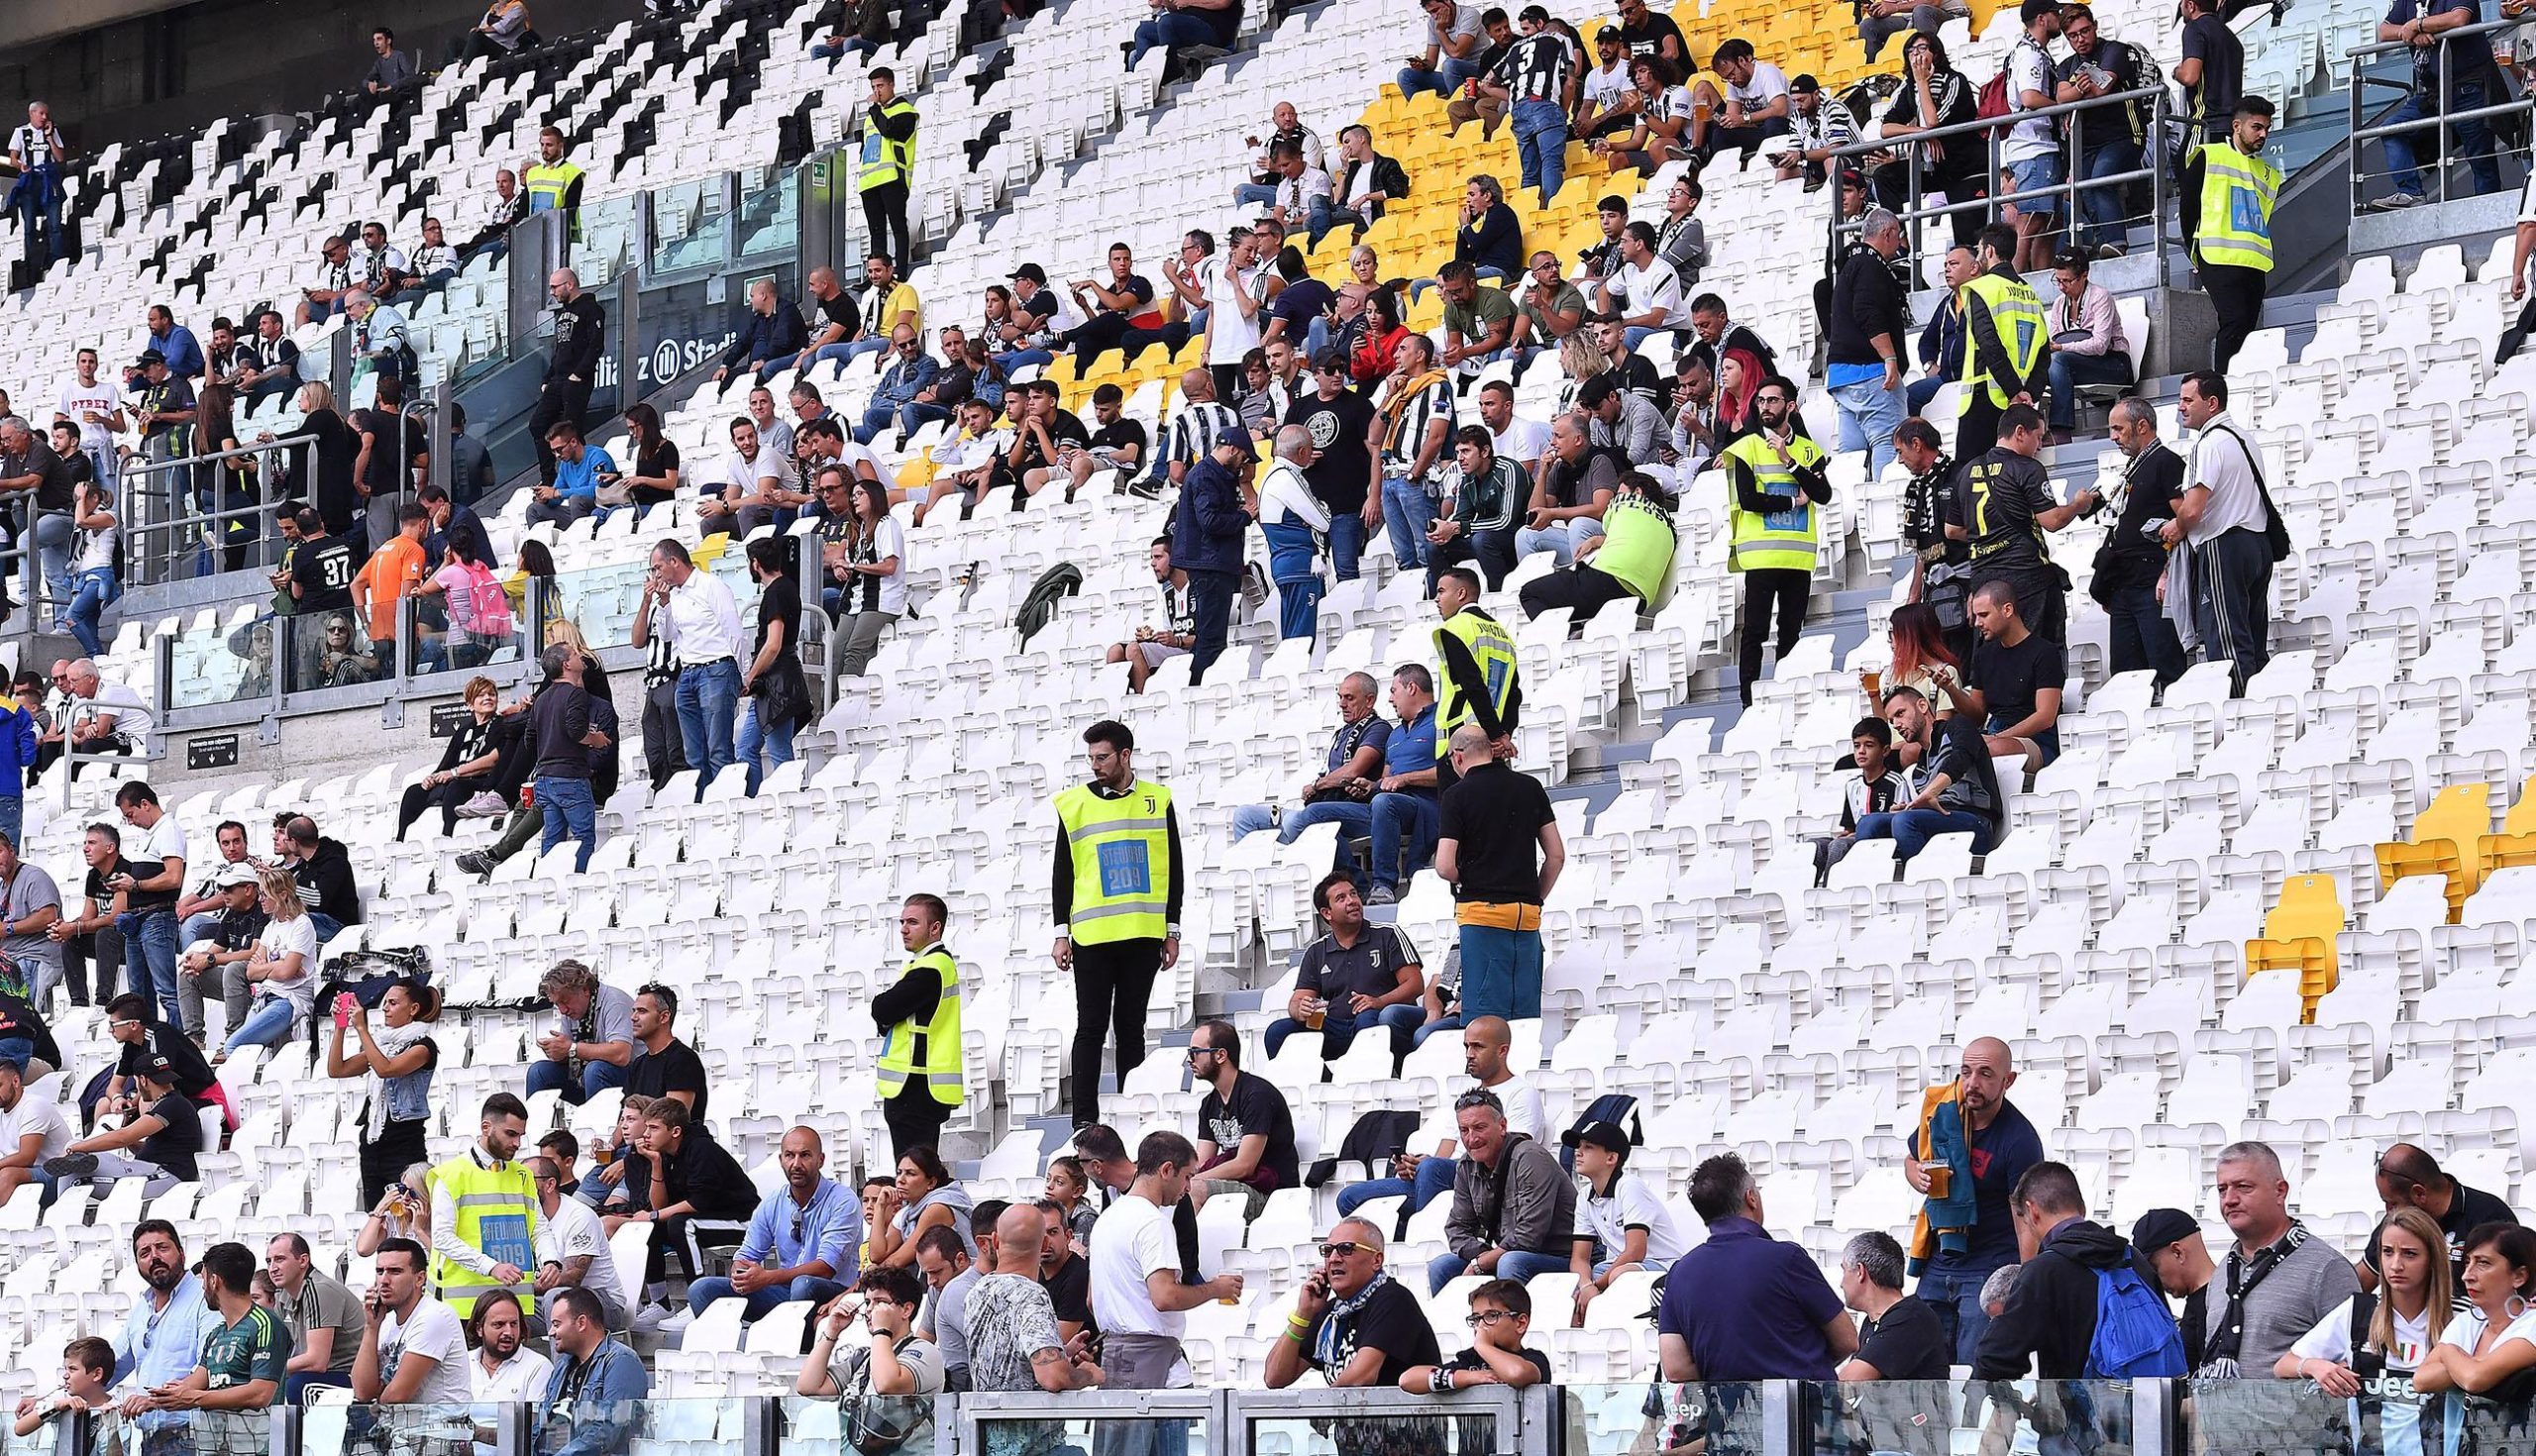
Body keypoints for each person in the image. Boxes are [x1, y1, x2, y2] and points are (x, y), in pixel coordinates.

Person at [1051, 720, 1184, 1126]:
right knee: (1090, 1027)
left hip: (1143, 933)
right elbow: (1062, 873)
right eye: (1091, 757)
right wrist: (1061, 934)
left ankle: (1132, 1108)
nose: (1095, 765)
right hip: (1093, 936)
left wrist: (1172, 929)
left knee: (1132, 1026)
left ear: (1125, 755)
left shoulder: (1157, 800)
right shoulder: (1073, 805)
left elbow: (1173, 866)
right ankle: (1084, 1119)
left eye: (1102, 757)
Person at [1972, 1161, 2184, 1379]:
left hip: (2087, 1410)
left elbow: (1994, 1359)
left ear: (2032, 1211)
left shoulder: (2044, 1272)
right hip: (2151, 1408)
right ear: (2082, 1207)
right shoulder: (2133, 1257)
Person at [1657, 1152, 1857, 1379]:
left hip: (1729, 1410)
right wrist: (1802, 1368)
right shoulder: (1786, 1258)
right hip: (1803, 1410)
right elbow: (1847, 1339)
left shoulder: (1680, 1272)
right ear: (1751, 1198)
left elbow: (1675, 1367)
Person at [1337, 1015, 1545, 1218]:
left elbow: (1513, 1157)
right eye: (1466, 1047)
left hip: (1486, 1182)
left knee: (1431, 1167)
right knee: (1349, 1197)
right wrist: (1415, 1167)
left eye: (1478, 1047)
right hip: (1450, 1177)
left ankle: (1425, 1237)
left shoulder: (1523, 1093)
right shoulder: (1468, 1093)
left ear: (1502, 1051)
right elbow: (1442, 1156)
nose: (1469, 1054)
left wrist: (1431, 1166)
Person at [2277, 1201, 2461, 1428]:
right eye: (2387, 1252)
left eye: (2410, 1254)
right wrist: (2315, 1366)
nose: (2396, 1265)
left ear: (2433, 1260)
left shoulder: (2461, 1317)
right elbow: (2283, 1365)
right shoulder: (2358, 1311)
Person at [2195, 1140, 2364, 1376]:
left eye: (2243, 1187)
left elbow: (2354, 1364)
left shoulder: (2327, 1268)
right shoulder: (2224, 1271)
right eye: (2222, 1189)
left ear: (2280, 1191)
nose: (2229, 1199)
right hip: (2219, 1412)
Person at [1433, 720, 1558, 1021]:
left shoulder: (1457, 795)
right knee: (1525, 1021)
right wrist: (1534, 897)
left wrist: (1474, 877)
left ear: (1458, 756)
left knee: (1484, 1023)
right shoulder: (1530, 787)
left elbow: (1444, 865)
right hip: (1525, 917)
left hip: (1482, 916)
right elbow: (1556, 856)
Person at [1721, 375, 1831, 706]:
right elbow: (1749, 499)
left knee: (1791, 632)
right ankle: (1748, 701)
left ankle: (1786, 693)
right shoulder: (1745, 447)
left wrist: (1789, 461)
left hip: (1797, 558)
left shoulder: (1809, 450)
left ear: (1790, 406)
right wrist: (1791, 502)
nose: (1765, 407)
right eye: (1761, 401)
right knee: (1754, 631)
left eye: (1772, 401)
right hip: (1762, 556)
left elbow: (1822, 494)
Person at [2166, 369, 2277, 694]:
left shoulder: (2208, 443)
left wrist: (2175, 526)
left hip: (2223, 545)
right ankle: (2263, 703)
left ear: (2211, 403)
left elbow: (2193, 508)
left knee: (2227, 643)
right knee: (2254, 640)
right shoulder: (2245, 439)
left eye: (2188, 400)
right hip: (2257, 542)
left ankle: (2241, 715)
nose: (2180, 407)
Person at [685, 1125, 854, 1323]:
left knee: (803, 1285)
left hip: (832, 1293)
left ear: (821, 1160)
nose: (796, 1164)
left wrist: (768, 1277)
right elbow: (747, 1255)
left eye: (805, 1155)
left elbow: (826, 1268)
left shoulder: (843, 1200)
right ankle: (733, 1349)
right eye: (790, 1155)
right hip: (783, 1291)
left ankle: (799, 1350)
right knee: (702, 1289)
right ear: (781, 1160)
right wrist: (741, 1274)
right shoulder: (773, 1202)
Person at [1955, 404, 2092, 645]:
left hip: (1983, 582)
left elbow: (1952, 529)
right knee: (2039, 655)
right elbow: (2052, 521)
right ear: (2020, 432)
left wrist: (1993, 537)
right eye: (2038, 437)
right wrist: (2078, 505)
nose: (2040, 445)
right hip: (2027, 578)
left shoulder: (1966, 471)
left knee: (1995, 662)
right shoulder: (2027, 468)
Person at [1262, 873, 1424, 1062]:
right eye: (1341, 898)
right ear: (1327, 913)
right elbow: (1297, 1002)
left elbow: (1415, 985)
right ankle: (1323, 1083)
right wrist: (1300, 1010)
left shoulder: (1388, 934)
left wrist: (1378, 1001)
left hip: (1379, 1020)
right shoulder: (1316, 951)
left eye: (1354, 894)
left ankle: (1371, 1080)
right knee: (1278, 1031)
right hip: (1334, 1027)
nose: (1352, 901)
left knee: (1367, 1017)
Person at [1427, 1086, 1572, 1292]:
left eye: (1479, 1128)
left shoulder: (1530, 1157)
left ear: (1502, 1126)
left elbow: (1529, 1236)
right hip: (1507, 1253)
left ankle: (1510, 1323)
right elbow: (1456, 1228)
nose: (1471, 1138)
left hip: (1562, 1257)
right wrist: (1485, 1254)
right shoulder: (1466, 1166)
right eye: (1464, 1130)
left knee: (1511, 1262)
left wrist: (1484, 1261)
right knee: (1442, 1266)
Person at [1266, 1219, 1441, 1388]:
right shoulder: (1332, 1312)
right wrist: (1303, 1314)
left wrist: (1322, 1412)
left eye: (1346, 1249)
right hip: (1355, 1416)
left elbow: (1360, 1378)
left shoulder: (1393, 1299)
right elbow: (1274, 1378)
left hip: (1403, 1417)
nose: (1333, 1258)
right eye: (1328, 1250)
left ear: (1376, 1260)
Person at [796, 1264, 943, 1450]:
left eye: (880, 1302)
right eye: (867, 1302)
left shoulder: (925, 1352)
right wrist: (831, 1332)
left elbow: (887, 1385)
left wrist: (881, 1330)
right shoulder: (862, 1358)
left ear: (906, 1310)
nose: (869, 1310)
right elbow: (808, 1386)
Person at [2371, 0, 2501, 208]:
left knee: (2480, 158)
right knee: (2391, 129)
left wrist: (2418, 25)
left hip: (2469, 86)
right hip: (2434, 93)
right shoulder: (2407, 2)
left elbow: (2459, 18)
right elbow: (2384, 30)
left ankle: (2489, 209)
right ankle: (2410, 194)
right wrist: (2415, 31)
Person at [641, 539, 747, 792]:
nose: (655, 574)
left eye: (657, 567)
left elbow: (734, 630)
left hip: (717, 668)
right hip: (687, 674)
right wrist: (663, 603)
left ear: (674, 561)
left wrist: (741, 672)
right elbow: (667, 635)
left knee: (718, 748)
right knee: (693, 754)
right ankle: (702, 807)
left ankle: (725, 803)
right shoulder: (672, 596)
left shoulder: (711, 585)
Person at [2183, 97, 2278, 374]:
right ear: (2237, 126)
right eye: (2256, 127)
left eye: (2266, 129)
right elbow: (2188, 207)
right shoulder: (2209, 155)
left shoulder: (2267, 173)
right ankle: (2224, 385)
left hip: (2254, 262)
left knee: (2246, 329)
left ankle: (2240, 381)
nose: (2263, 134)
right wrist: (2195, 252)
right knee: (2234, 321)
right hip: (2217, 254)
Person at [2098, 398, 2188, 685]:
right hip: (2123, 583)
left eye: (2118, 429)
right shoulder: (2135, 466)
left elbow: (2184, 520)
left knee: (2166, 665)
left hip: (2152, 580)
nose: (2113, 436)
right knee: (2125, 676)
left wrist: (2168, 572)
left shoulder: (2166, 461)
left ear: (2142, 426)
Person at [427, 1092, 540, 1321]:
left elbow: (539, 1227)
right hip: (462, 1309)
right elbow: (442, 1238)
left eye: (520, 1135)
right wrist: (491, 1267)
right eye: (511, 1134)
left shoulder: (523, 1175)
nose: (517, 1143)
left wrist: (551, 1260)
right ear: (486, 1127)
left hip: (513, 1306)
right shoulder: (451, 1175)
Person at [1859, 684, 2005, 859]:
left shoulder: (1957, 726)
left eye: (1900, 714)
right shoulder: (1919, 769)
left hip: (1976, 821)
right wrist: (1910, 807)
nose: (1896, 725)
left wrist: (1931, 792)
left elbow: (1962, 757)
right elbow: (1931, 806)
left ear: (1922, 706)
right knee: (1868, 823)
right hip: (1939, 820)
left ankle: (1919, 881)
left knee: (1904, 821)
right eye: (1892, 721)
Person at [1564, 1119, 1686, 1324]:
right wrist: (1586, 1286)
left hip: (1665, 1265)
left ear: (1611, 1157)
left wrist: (1596, 1286)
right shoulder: (1584, 1195)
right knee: (1575, 1286)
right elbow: (1579, 1258)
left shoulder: (1630, 1186)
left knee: (1618, 1274)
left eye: (1588, 1147)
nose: (1578, 1152)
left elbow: (1636, 1251)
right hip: (1617, 1267)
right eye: (1578, 1146)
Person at [874, 893, 965, 1158]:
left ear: (935, 928)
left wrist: (884, 1012)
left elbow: (883, 1008)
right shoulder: (925, 964)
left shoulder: (931, 967)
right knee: (914, 1174)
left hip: (915, 1086)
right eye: (902, 922)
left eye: (912, 922)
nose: (903, 929)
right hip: (916, 1087)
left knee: (914, 1175)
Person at [46, 1048, 199, 1195]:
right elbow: (160, 1148)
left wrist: (77, 1147)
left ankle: (59, 1215)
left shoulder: (171, 1104)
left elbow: (123, 1137)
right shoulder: (173, 1103)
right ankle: (76, 1159)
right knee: (75, 1157)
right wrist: (131, 1144)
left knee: (74, 1175)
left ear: (143, 1080)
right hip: (151, 1169)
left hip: (167, 1176)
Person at [2367, 1143, 2519, 1289]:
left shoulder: (2490, 1216)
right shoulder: (2397, 1221)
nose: (2388, 1211)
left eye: (2392, 1203)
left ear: (2419, 1194)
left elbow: (2508, 1288)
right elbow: (2361, 1281)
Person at [1187, 1018, 1298, 1217]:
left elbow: (1244, 1166)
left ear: (1221, 1055)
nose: (1189, 1060)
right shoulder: (1208, 1104)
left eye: (1194, 1052)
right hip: (1236, 1188)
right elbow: (1201, 1163)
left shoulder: (1257, 1096)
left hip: (1270, 1194)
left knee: (1192, 1190)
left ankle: (1188, 1250)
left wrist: (1190, 1182)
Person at [1955, 224, 2048, 463]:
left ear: (1989, 251)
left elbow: (1989, 346)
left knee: (1970, 479)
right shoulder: (2030, 293)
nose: (1978, 256)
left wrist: (2015, 391)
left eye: (1979, 250)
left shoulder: (1981, 288)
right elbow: (2043, 352)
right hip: (2020, 401)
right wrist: (2028, 394)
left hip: (1984, 397)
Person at [1828, 210, 1908, 481]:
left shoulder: (1851, 264)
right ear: (1887, 233)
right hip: (1871, 372)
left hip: (1842, 376)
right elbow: (1867, 312)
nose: (1900, 242)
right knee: (1889, 443)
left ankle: (1854, 512)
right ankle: (1886, 511)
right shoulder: (1870, 266)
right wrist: (1890, 358)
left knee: (1851, 454)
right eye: (1899, 235)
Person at [2411, 1224, 2536, 1395]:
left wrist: (2446, 1350)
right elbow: (2421, 1380)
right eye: (2467, 1262)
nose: (2466, 1276)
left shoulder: (2532, 1324)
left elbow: (2473, 1379)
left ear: (2519, 1276)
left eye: (2483, 1263)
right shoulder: (2466, 1320)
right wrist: (2477, 1364)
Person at [208, 868, 315, 1063]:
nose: (260, 899)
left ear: (282, 895)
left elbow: (285, 972)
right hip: (265, 996)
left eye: (265, 894)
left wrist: (269, 968)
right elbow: (250, 971)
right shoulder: (270, 927)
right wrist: (279, 965)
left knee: (233, 1047)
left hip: (289, 1000)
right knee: (242, 1049)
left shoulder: (302, 924)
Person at [109, 782, 187, 1031]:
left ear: (145, 804)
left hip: (156, 916)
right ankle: (148, 1043)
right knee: (138, 994)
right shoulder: (150, 834)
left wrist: (136, 885)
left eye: (130, 815)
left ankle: (178, 1039)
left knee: (165, 989)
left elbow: (174, 877)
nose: (130, 822)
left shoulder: (168, 830)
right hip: (138, 919)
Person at [536, 1288, 649, 1456]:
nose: (551, 1332)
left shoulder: (622, 1361)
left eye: (556, 1324)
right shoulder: (563, 1365)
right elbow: (542, 1425)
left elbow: (607, 1431)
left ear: (581, 1323)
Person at [1401, 1278, 1552, 1394]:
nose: (1481, 1325)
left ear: (1520, 1323)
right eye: (1475, 1319)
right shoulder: (1469, 1362)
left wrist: (1483, 1346)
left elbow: (1516, 1373)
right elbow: (1408, 1380)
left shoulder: (1533, 1359)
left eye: (1491, 1316)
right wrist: (1470, 1377)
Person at [529, 1153, 629, 1329]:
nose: (520, 1186)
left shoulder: (579, 1216)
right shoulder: (527, 1218)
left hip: (604, 1304)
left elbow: (571, 1279)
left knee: (557, 1298)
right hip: (548, 1299)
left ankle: (562, 1359)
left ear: (550, 1184)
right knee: (499, 1307)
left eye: (527, 1179)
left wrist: (525, 1287)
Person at [1838, 1231, 1953, 1378]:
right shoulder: (1873, 1321)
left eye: (1844, 1270)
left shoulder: (1911, 1318)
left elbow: (1848, 1382)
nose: (1841, 1284)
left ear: (1860, 1271)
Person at [2042, 252, 2132, 438]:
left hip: (2114, 364)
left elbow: (2100, 345)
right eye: (2057, 280)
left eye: (2067, 281)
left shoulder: (2100, 297)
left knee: (2057, 360)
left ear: (2084, 275)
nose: (2061, 287)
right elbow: (2055, 338)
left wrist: (2062, 347)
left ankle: (2060, 431)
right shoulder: (2059, 303)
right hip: (2076, 363)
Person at [528, 269, 603, 490]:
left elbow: (596, 346)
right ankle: (548, 477)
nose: (552, 292)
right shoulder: (563, 313)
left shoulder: (591, 309)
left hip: (577, 380)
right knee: (538, 425)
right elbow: (559, 350)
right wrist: (548, 378)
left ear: (569, 285)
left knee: (572, 430)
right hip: (558, 379)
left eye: (555, 287)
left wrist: (578, 374)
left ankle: (579, 478)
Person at [1812, 717, 1911, 884]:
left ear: (1885, 750)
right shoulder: (1852, 785)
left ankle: (1829, 892)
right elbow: (1849, 827)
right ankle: (1808, 895)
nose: (1861, 751)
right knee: (1814, 845)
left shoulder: (1896, 782)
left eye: (1869, 745)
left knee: (1838, 846)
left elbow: (1899, 823)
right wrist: (1846, 834)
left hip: (1881, 844)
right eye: (1857, 745)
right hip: (1854, 839)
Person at [1255, 424, 1329, 642]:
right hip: (1300, 567)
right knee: (1302, 639)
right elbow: (1323, 520)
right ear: (1302, 452)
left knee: (1292, 637)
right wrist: (1321, 508)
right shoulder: (1287, 478)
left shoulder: (1271, 475)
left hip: (1286, 566)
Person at [266, 1232, 362, 1401]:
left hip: (350, 1376)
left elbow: (317, 1361)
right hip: (324, 1374)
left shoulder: (319, 1289)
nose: (273, 1268)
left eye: (280, 1259)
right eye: (269, 1261)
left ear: (303, 1260)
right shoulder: (283, 1295)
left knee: (297, 1385)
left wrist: (267, 1368)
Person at [0, 1059, 70, 1208]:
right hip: (27, 1173)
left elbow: (26, 1158)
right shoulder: (3, 1112)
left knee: (8, 1174)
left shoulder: (33, 1106)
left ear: (16, 1081)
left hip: (58, 1175)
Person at [467, 1291, 551, 1403]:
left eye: (514, 1324)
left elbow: (533, 1419)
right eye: (499, 1324)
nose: (508, 1332)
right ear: (479, 1329)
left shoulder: (538, 1366)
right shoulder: (464, 1363)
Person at [1400, 0, 1489, 97]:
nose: (1434, 16)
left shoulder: (1469, 15)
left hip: (1480, 74)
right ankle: (1427, 110)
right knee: (1405, 76)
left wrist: (1440, 31)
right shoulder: (1433, 23)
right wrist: (1422, 65)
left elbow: (1457, 54)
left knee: (1450, 64)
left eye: (1436, 10)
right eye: (1430, 13)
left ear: (1448, 2)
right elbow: (1431, 63)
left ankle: (1460, 106)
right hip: (1451, 77)